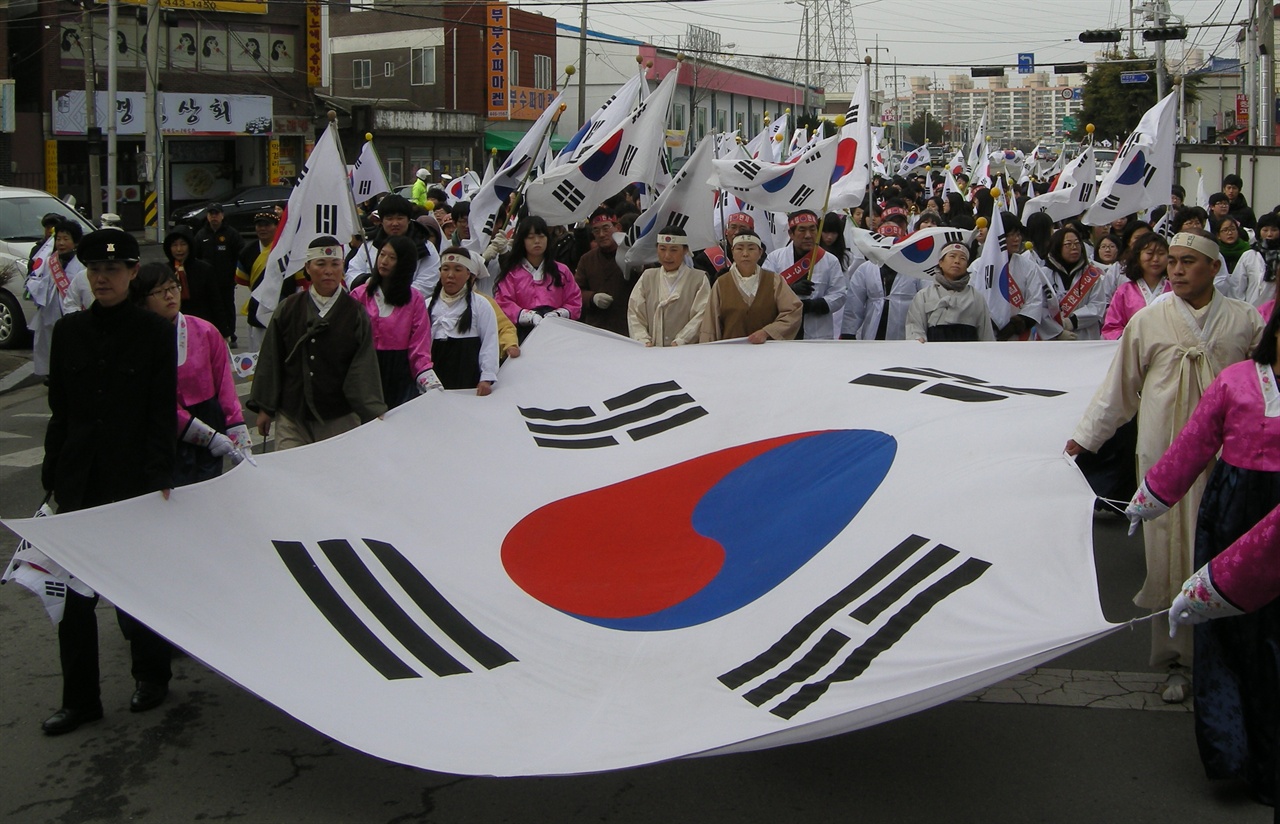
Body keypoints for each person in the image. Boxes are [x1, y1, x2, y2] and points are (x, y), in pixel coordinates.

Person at [1066, 230, 1265, 692]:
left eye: (1188, 261)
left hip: (1228, 457)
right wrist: (1083, 439)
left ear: (1214, 268)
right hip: (1161, 456)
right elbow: (1118, 391)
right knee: (1165, 555)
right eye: (1171, 261)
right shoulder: (1149, 321)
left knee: (1224, 551)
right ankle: (1175, 659)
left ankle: (1223, 656)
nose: (1175, 269)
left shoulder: (1245, 320)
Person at [1127, 305, 1280, 800]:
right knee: (1233, 638)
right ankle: (1235, 750)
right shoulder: (1237, 381)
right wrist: (1152, 497)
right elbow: (1194, 443)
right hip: (1233, 513)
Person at [40, 228, 177, 736]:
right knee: (72, 598)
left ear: (131, 274)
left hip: (133, 477)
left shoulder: (155, 333)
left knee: (136, 587)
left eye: (113, 271)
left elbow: (161, 411)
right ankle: (79, 699)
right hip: (79, 479)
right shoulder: (69, 332)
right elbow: (61, 412)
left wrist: (161, 473)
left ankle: (152, 675)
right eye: (95, 270)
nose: (103, 278)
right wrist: (52, 472)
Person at [249, 237, 386, 449]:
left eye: (335, 264)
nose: (328, 271)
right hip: (292, 413)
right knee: (291, 474)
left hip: (339, 414)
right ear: (307, 268)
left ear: (343, 268)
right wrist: (265, 408)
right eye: (320, 264)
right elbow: (271, 358)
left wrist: (371, 409)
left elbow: (364, 365)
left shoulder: (355, 312)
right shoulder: (288, 308)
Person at [131, 262, 251, 484]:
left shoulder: (205, 330)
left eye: (173, 287)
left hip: (208, 415)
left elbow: (225, 386)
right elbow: (158, 402)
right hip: (165, 429)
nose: (169, 296)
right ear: (143, 300)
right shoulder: (139, 340)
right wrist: (208, 436)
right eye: (159, 291)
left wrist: (239, 437)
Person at [349, 234, 440, 408]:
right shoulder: (360, 295)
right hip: (365, 370)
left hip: (399, 373)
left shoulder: (414, 299)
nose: (384, 261)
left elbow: (419, 346)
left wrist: (429, 380)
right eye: (382, 255)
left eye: (392, 258)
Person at [699, 231, 801, 343]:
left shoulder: (774, 280)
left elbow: (793, 311)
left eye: (751, 249)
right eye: (739, 248)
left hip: (768, 351)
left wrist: (767, 332)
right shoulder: (721, 283)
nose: (745, 254)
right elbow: (710, 325)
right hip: (730, 353)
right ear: (732, 252)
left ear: (760, 252)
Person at [494, 215, 582, 342]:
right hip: (522, 335)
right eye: (530, 237)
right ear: (522, 241)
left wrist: (558, 314)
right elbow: (503, 302)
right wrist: (528, 316)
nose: (537, 241)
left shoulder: (561, 271)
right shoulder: (512, 273)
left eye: (541, 236)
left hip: (557, 333)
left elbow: (574, 300)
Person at [763, 210, 846, 340]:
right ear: (791, 234)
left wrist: (815, 305)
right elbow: (764, 290)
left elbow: (839, 294)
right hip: (783, 331)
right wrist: (790, 288)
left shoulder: (830, 260)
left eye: (812, 230)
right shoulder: (775, 258)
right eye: (802, 230)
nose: (808, 235)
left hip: (817, 332)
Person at [428, 248, 500, 394]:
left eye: (458, 269)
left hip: (466, 374)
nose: (450, 275)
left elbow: (489, 342)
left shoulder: (481, 305)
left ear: (468, 274)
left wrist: (486, 377)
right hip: (433, 375)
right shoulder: (427, 305)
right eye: (445, 269)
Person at [627, 225, 709, 347]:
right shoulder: (648, 277)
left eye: (674, 250)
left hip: (685, 352)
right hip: (650, 351)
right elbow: (635, 312)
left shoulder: (698, 279)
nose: (667, 256)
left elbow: (702, 315)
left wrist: (681, 340)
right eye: (662, 249)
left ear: (685, 250)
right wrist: (642, 339)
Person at [347, 194, 440, 297]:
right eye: (389, 218)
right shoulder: (370, 244)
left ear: (409, 220)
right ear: (381, 221)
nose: (395, 223)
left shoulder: (425, 247)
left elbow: (428, 283)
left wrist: (393, 295)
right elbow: (353, 272)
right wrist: (369, 284)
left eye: (400, 218)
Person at [25, 220, 83, 377]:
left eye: (66, 239)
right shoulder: (49, 261)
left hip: (73, 313)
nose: (61, 243)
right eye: (58, 239)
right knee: (50, 346)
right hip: (50, 312)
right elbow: (38, 280)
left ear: (75, 241)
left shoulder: (82, 263)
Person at [904, 242, 994, 342]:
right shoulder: (924, 295)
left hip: (968, 353)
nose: (957, 261)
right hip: (933, 353)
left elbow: (986, 334)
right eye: (952, 256)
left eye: (962, 258)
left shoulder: (976, 297)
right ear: (941, 262)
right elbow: (915, 327)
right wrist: (918, 341)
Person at [235, 211, 291, 352]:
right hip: (257, 308)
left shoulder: (287, 251)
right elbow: (243, 279)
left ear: (277, 226)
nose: (262, 229)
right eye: (259, 225)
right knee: (258, 354)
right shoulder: (247, 251)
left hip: (283, 309)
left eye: (267, 225)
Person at [1041, 225, 1108, 341]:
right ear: (1057, 247)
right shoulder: (1044, 275)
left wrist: (1072, 321)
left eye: (1077, 243)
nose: (1074, 248)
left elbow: (1098, 305)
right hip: (1053, 340)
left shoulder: (1091, 274)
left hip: (1085, 337)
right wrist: (1057, 332)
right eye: (1068, 244)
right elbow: (1040, 308)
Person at [574, 208, 633, 336]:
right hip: (597, 328)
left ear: (617, 228)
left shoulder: (632, 254)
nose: (601, 234)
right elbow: (575, 291)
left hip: (628, 326)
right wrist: (592, 298)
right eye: (596, 230)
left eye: (606, 228)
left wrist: (639, 267)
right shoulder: (587, 259)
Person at [1101, 232, 1170, 340]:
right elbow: (1111, 327)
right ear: (1138, 256)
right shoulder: (1124, 291)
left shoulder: (1175, 290)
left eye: (1161, 253)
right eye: (1150, 253)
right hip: (1133, 350)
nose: (1156, 259)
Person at [193, 202, 244, 342]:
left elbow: (241, 254)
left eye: (216, 214)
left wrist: (236, 275)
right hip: (207, 282)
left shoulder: (231, 234)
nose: (214, 217)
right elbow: (195, 257)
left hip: (226, 280)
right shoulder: (201, 235)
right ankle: (212, 335)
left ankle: (231, 334)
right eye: (211, 214)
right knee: (210, 308)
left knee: (227, 307)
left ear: (222, 215)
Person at [163, 225, 223, 332]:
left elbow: (215, 301)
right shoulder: (164, 271)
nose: (179, 249)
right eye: (174, 245)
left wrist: (222, 330)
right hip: (172, 327)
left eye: (183, 244)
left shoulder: (204, 269)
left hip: (201, 326)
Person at [1213, 215, 1263, 302]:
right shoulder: (1215, 253)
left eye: (1233, 229)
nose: (1229, 233)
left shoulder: (1248, 251)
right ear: (1218, 235)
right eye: (1225, 230)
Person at [1247, 212, 1280, 309]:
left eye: (1274, 230)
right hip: (1251, 309)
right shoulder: (1249, 255)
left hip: (1275, 311)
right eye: (1265, 230)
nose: (1269, 234)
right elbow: (1237, 287)